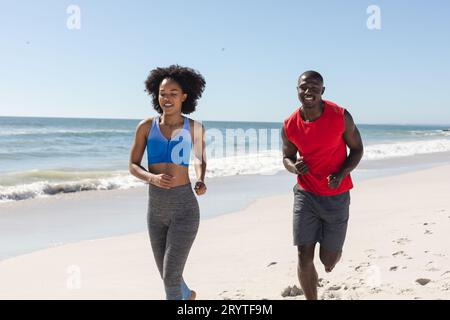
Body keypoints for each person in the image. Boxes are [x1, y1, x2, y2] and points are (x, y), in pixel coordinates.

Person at [281, 71, 364, 300]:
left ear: (323, 91)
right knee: (303, 255)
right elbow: (287, 157)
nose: (309, 92)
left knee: (328, 260)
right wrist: (294, 167)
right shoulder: (289, 124)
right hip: (306, 194)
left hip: (336, 196)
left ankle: (332, 252)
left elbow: (357, 149)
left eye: (315, 88)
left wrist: (341, 173)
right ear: (297, 90)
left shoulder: (340, 116)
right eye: (304, 87)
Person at [129, 65, 207, 300]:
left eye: (173, 93)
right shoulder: (145, 127)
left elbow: (199, 158)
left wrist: (200, 179)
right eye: (163, 93)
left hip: (185, 207)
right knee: (167, 274)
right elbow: (133, 165)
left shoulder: (193, 127)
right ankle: (188, 296)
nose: (167, 98)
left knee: (171, 276)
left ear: (184, 96)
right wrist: (151, 178)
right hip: (156, 208)